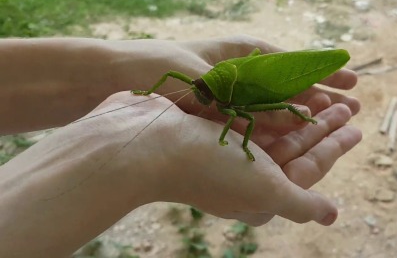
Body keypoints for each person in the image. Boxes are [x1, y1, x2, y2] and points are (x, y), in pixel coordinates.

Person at [0, 35, 362, 257]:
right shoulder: (192, 79)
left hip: (256, 87)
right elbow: (177, 78)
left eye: (202, 92)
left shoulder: (222, 96)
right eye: (198, 89)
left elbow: (246, 120)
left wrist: (227, 138)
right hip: (234, 77)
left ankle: (307, 102)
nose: (198, 95)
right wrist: (139, 93)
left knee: (275, 108)